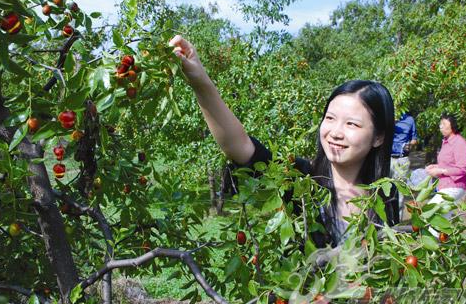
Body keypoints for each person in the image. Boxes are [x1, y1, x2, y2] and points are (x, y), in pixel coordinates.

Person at [168, 35, 399, 248]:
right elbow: (240, 147)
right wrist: (199, 81)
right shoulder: (300, 181)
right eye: (330, 118)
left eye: (352, 124)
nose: (336, 132)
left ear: (379, 137)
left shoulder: (387, 194)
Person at [426, 113, 466, 206]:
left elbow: (461, 169)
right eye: (440, 124)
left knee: (430, 212)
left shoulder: (459, 143)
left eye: (444, 124)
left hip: (454, 187)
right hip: (444, 186)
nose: (441, 127)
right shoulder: (446, 142)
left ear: (453, 126)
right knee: (444, 218)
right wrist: (435, 167)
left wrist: (440, 171)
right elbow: (449, 164)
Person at [390, 111, 418, 220]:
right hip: (387, 159)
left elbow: (414, 139)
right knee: (384, 190)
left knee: (400, 194)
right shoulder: (388, 113)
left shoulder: (410, 120)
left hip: (402, 160)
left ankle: (397, 223)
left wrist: (410, 145)